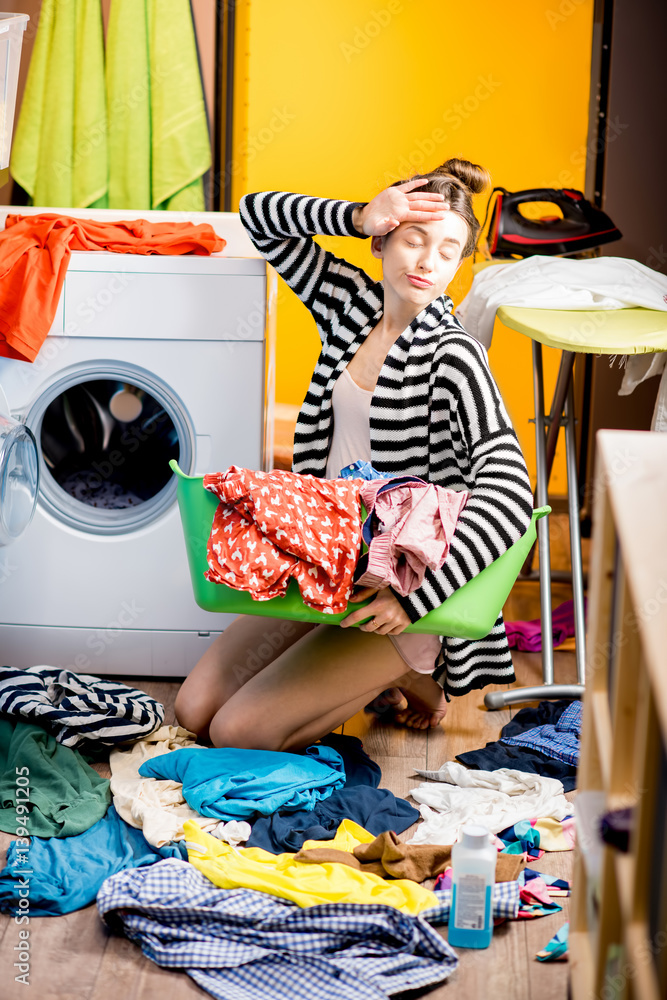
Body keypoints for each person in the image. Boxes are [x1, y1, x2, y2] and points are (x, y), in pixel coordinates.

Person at [174, 158, 533, 751]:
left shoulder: (454, 356)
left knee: (239, 731)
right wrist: (358, 214)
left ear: (460, 265)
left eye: (447, 251)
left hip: (392, 590)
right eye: (413, 239)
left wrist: (411, 597)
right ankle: (383, 677)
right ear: (382, 241)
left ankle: (417, 664)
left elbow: (512, 493)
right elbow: (258, 216)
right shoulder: (350, 307)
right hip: (323, 559)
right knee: (193, 711)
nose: (426, 262)